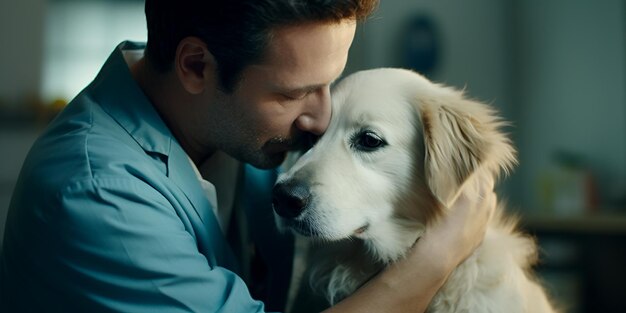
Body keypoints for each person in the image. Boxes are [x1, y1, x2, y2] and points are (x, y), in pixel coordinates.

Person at [0, 0, 496, 312]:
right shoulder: (97, 195)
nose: (319, 119)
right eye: (292, 93)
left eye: (330, 85)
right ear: (196, 66)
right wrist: (437, 260)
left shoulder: (230, 123)